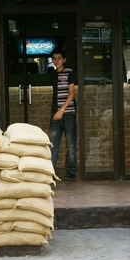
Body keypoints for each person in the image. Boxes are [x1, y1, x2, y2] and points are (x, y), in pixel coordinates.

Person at [49, 47, 77, 181]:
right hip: (56, 113)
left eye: (59, 58)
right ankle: (51, 172)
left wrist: (62, 110)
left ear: (64, 59)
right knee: (53, 144)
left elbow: (71, 94)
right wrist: (56, 111)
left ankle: (71, 172)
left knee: (70, 144)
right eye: (54, 58)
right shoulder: (53, 74)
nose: (56, 61)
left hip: (68, 112)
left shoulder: (69, 72)